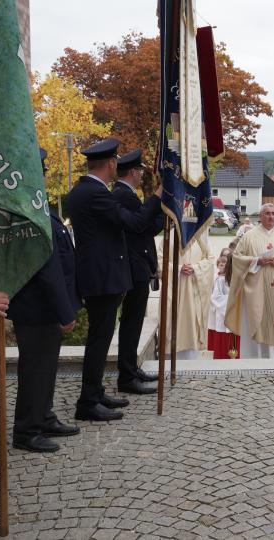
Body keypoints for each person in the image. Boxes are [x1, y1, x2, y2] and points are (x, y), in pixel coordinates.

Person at [64, 138, 162, 422]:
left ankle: (95, 393)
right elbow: (134, 224)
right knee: (99, 339)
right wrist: (157, 195)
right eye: (115, 160)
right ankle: (88, 402)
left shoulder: (87, 191)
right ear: (110, 164)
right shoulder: (94, 193)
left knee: (102, 337)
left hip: (102, 275)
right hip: (102, 277)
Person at [7, 148, 82, 453]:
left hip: (44, 307)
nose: (45, 173)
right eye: (41, 168)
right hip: (37, 307)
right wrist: (66, 311)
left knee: (46, 368)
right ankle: (26, 431)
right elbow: (46, 269)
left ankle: (44, 416)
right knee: (35, 371)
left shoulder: (36, 206)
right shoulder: (28, 209)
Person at [112, 149, 164, 395]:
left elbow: (145, 229)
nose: (142, 174)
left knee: (134, 323)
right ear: (132, 172)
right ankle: (127, 375)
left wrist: (164, 213)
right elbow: (138, 224)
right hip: (134, 267)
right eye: (140, 170)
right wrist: (157, 197)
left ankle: (131, 369)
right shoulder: (123, 195)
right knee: (131, 323)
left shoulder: (128, 194)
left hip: (138, 266)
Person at [225, 203, 274, 359]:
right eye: (267, 213)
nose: (271, 216)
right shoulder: (248, 237)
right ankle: (253, 361)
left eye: (273, 213)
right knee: (255, 322)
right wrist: (255, 261)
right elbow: (236, 258)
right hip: (255, 292)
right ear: (260, 216)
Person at [168, 237, 214, 360]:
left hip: (194, 291)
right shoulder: (171, 236)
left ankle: (192, 360)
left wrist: (195, 268)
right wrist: (178, 268)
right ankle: (170, 361)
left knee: (192, 328)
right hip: (174, 291)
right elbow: (160, 262)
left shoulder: (201, 239)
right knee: (172, 324)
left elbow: (210, 260)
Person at [207, 256, 237, 359]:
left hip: (237, 317)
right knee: (223, 347)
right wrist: (232, 301)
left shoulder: (239, 280)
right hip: (223, 317)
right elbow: (215, 298)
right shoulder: (220, 280)